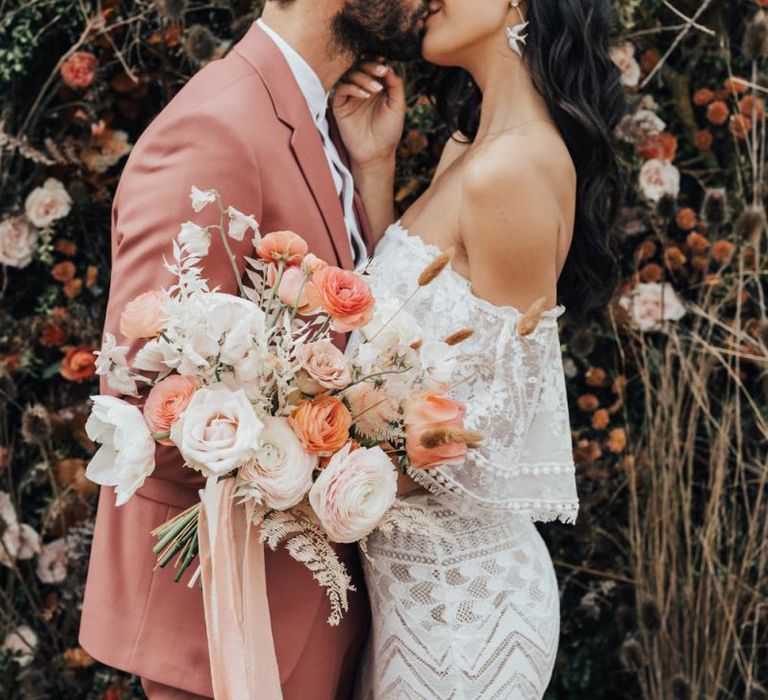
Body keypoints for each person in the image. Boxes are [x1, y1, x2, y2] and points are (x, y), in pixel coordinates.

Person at [78, 1, 430, 698]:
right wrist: (293, 441)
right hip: (231, 629)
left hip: (312, 604)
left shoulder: (326, 120)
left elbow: (353, 326)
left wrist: (373, 173)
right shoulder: (216, 126)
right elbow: (145, 383)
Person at [332, 0, 627, 696]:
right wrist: (375, 165)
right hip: (409, 594)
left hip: (468, 605)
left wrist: (311, 472)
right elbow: (401, 323)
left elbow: (486, 424)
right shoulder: (470, 152)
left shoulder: (513, 169)